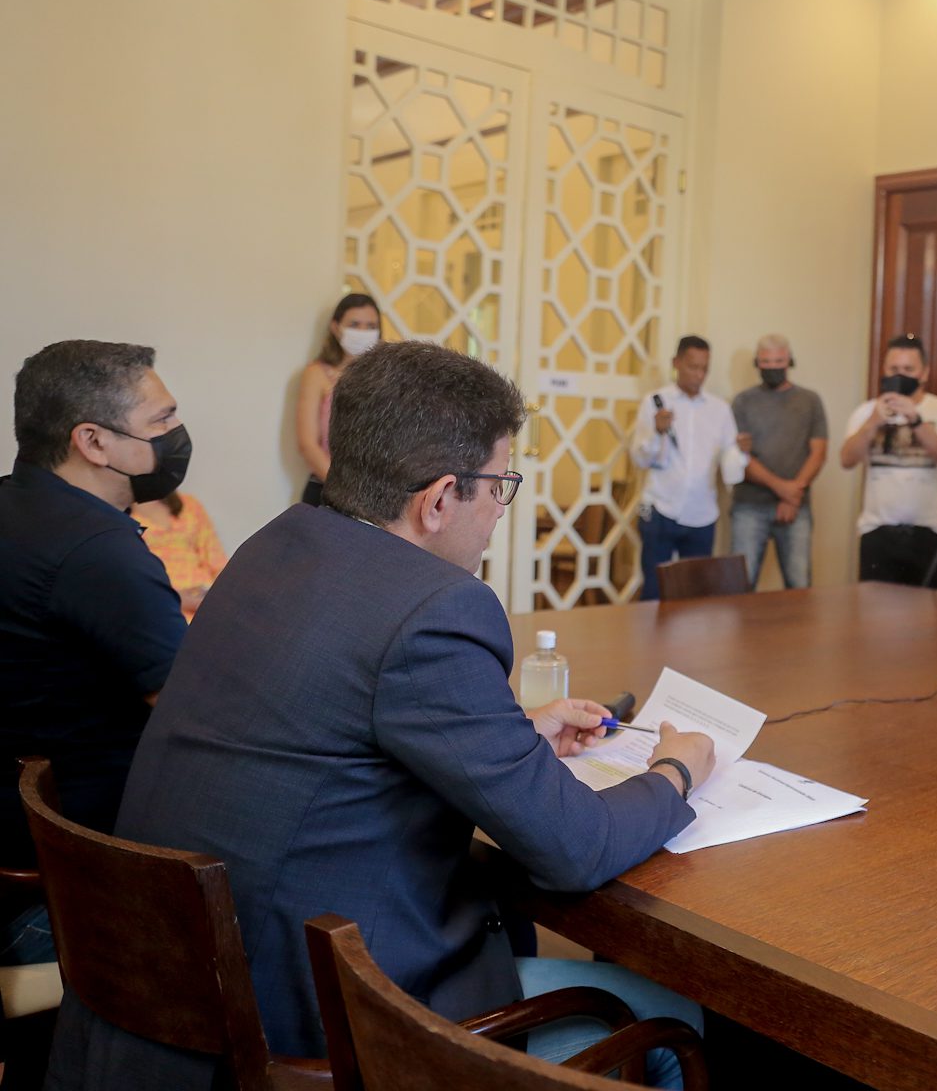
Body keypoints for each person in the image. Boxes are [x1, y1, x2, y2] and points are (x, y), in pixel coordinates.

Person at [48, 341, 717, 1089]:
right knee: (674, 1016)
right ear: (437, 500)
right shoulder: (435, 610)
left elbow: (326, 725)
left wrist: (516, 734)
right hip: (318, 1019)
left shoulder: (276, 545)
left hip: (173, 991)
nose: (501, 509)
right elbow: (574, 849)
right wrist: (678, 767)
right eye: (501, 486)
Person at [0, 340, 188, 966]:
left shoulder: (13, 504)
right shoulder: (96, 552)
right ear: (94, 441)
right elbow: (190, 713)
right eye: (160, 421)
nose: (176, 436)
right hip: (70, 872)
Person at [630, 335, 748, 601]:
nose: (698, 375)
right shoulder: (655, 402)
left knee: (696, 594)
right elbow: (640, 459)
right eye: (692, 367)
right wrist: (657, 433)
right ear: (676, 363)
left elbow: (732, 466)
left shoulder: (720, 410)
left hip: (702, 511)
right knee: (654, 590)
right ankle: (650, 642)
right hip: (661, 506)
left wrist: (742, 453)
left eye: (704, 368)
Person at [840, 334, 937, 586]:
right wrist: (873, 422)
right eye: (894, 369)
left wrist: (916, 420)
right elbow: (847, 459)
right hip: (877, 530)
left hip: (928, 530)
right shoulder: (866, 411)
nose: (901, 374)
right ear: (884, 370)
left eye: (909, 369)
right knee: (874, 617)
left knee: (927, 616)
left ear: (924, 373)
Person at [730, 335, 827, 589]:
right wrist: (782, 489)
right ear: (757, 364)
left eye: (778, 361)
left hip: (796, 508)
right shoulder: (742, 402)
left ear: (789, 361)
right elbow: (741, 457)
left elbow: (818, 452)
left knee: (799, 585)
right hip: (749, 506)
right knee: (740, 585)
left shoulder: (810, 401)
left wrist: (792, 495)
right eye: (766, 362)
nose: (773, 368)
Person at [296, 292, 382, 506]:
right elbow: (308, 444)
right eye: (354, 324)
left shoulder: (385, 377)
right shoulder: (317, 374)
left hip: (375, 499)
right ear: (336, 327)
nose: (363, 331)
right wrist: (347, 492)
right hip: (326, 491)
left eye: (371, 326)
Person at [132, 491, 229, 620]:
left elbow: (217, 561)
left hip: (206, 601)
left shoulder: (189, 505)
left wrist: (220, 597)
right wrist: (174, 598)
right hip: (159, 605)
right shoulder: (120, 515)